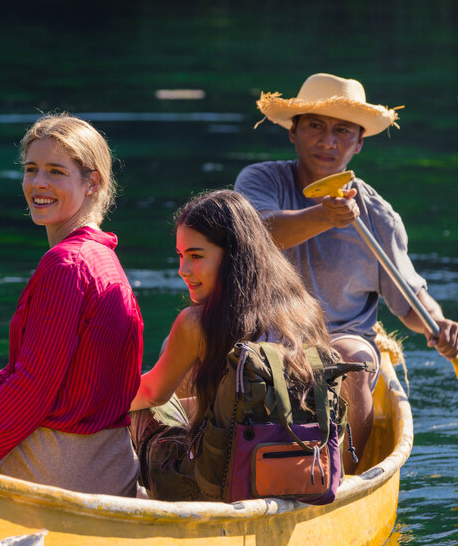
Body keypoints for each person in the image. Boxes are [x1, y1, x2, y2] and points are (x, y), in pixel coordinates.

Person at [0, 113, 144, 497]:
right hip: (112, 459)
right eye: (31, 169)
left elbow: (30, 389)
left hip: (72, 465)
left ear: (92, 182)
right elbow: (24, 369)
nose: (38, 184)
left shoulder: (66, 264)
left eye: (56, 171)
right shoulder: (104, 258)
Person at [234, 72, 458, 463]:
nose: (327, 141)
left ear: (359, 143)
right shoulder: (259, 180)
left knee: (349, 362)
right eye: (315, 126)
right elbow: (258, 235)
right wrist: (326, 214)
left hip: (341, 337)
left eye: (343, 131)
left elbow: (409, 301)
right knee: (203, 336)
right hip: (265, 334)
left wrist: (439, 324)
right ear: (294, 131)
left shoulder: (379, 217)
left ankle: (345, 474)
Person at [129, 189, 337, 501]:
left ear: (233, 257)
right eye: (180, 255)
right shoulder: (304, 309)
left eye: (196, 256)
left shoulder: (197, 322)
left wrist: (84, 401)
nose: (182, 270)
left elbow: (151, 393)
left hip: (216, 484)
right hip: (303, 471)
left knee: (138, 408)